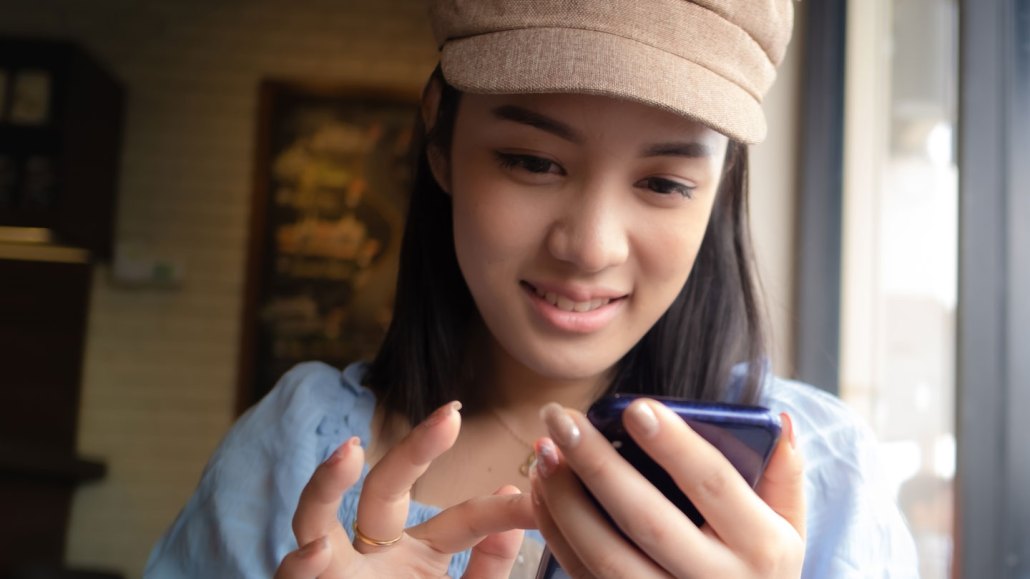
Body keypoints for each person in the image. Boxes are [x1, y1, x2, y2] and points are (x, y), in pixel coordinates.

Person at [145, 1, 920, 577]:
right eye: (532, 161)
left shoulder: (823, 478)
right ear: (441, 142)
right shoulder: (294, 448)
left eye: (662, 181)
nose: (589, 245)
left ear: (719, 191)